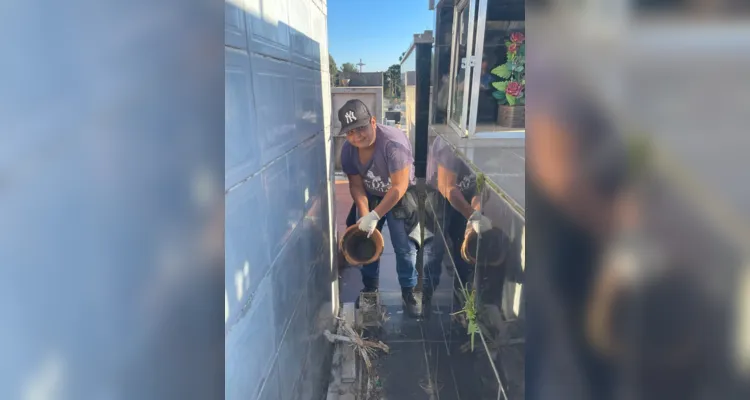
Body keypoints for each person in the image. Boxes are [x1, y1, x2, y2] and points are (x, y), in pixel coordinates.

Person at [338, 99, 419, 316]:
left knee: (404, 247)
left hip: (399, 195)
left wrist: (375, 215)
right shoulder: (348, 150)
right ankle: (370, 287)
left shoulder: (392, 145)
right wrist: (365, 214)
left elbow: (399, 186)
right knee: (365, 241)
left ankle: (409, 290)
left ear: (373, 122)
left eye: (361, 129)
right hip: (370, 194)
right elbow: (356, 185)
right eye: (350, 132)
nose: (356, 137)